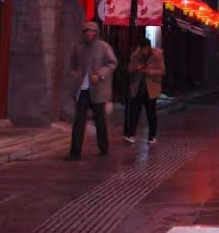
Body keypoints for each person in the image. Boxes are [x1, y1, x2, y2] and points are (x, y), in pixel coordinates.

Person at [65, 21, 117, 161]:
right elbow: (73, 64)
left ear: (96, 32)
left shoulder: (104, 47)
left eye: (92, 31)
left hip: (98, 90)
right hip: (82, 90)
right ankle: (75, 152)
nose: (89, 33)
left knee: (100, 120)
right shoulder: (79, 48)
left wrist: (100, 74)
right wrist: (75, 73)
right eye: (86, 31)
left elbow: (112, 63)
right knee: (78, 121)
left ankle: (103, 148)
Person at [123, 37, 165, 145]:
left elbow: (162, 71)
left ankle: (152, 136)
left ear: (149, 48)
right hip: (138, 87)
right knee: (134, 112)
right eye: (142, 49)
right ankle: (131, 135)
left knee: (151, 113)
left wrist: (150, 72)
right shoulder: (136, 56)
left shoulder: (157, 56)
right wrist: (136, 68)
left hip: (151, 88)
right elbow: (129, 69)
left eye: (146, 49)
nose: (144, 51)